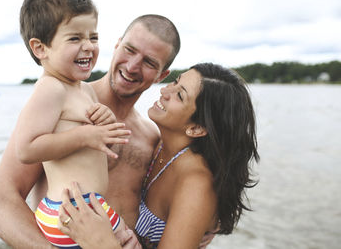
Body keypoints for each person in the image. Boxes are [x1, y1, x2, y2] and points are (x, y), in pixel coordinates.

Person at [0, 13, 183, 248]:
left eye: (149, 62)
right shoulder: (60, 104)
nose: (132, 66)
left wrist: (207, 225)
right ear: (117, 45)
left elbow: (164, 205)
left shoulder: (151, 137)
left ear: (162, 75)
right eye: (129, 50)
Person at [58, 63, 260, 249]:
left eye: (179, 95)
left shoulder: (197, 184)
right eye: (175, 81)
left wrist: (100, 242)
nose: (164, 90)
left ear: (196, 128)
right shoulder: (161, 145)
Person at [10, 0, 131, 248]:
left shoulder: (84, 89)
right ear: (40, 48)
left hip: (87, 206)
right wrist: (84, 135)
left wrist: (105, 122)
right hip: (69, 212)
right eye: (75, 38)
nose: (88, 46)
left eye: (93, 37)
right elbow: (26, 149)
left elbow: (97, 152)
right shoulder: (50, 88)